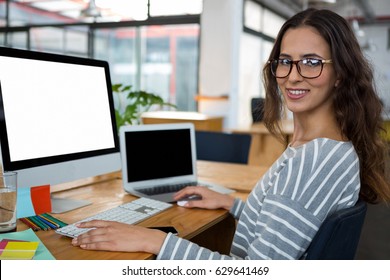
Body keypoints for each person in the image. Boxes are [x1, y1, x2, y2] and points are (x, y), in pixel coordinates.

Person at [71, 8, 390, 259]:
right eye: (284, 62)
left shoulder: (314, 160)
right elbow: (289, 224)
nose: (293, 76)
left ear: (340, 73)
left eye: (311, 62)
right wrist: (233, 204)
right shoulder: (324, 149)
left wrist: (154, 240)